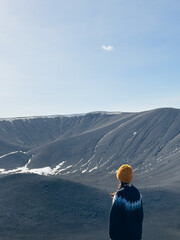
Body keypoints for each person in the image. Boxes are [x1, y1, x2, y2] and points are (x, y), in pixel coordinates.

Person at [109, 164, 144, 240]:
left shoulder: (119, 196)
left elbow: (114, 219)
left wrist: (112, 235)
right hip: (135, 236)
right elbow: (140, 218)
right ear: (131, 177)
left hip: (120, 236)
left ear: (119, 177)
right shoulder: (137, 194)